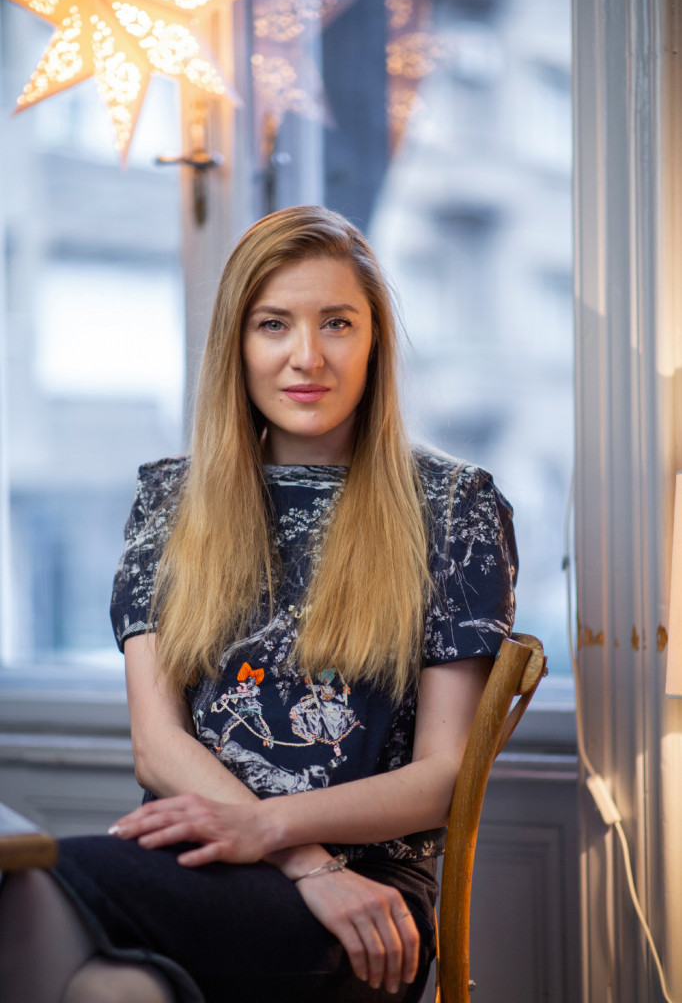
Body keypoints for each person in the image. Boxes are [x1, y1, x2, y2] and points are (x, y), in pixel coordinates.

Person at [0, 206, 517, 1003]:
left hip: (368, 906)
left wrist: (280, 833)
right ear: (236, 345)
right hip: (201, 871)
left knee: (35, 878)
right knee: (115, 991)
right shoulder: (171, 501)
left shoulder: (453, 507)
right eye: (274, 324)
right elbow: (157, 748)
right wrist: (298, 860)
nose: (307, 356)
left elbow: (444, 774)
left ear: (374, 341)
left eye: (337, 323)